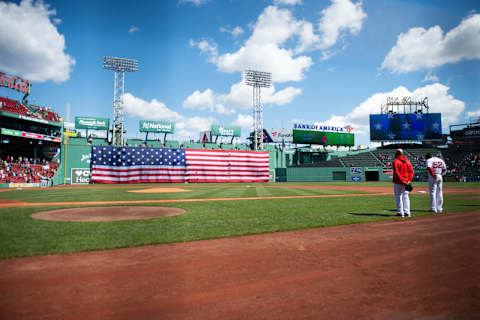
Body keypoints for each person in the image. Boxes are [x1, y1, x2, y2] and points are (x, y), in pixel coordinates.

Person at [392, 149, 414, 217]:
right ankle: (407, 213)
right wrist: (409, 180)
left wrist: (402, 180)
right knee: (406, 197)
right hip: (407, 181)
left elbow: (396, 172)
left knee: (398, 196)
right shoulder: (407, 162)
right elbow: (411, 172)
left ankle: (400, 212)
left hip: (399, 181)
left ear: (397, 153)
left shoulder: (395, 161)